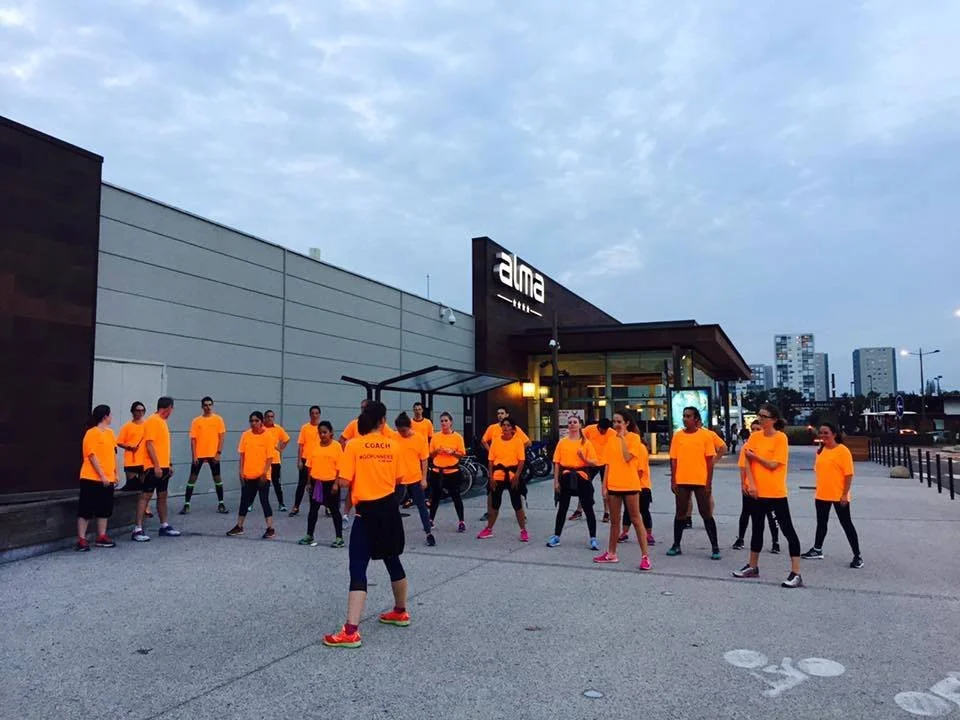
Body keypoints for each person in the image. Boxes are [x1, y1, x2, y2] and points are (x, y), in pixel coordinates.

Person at [324, 401, 409, 649]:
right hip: (390, 511)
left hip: (366, 513)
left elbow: (342, 481)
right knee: (392, 559)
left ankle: (351, 631)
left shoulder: (353, 445)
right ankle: (400, 611)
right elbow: (399, 479)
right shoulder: (394, 446)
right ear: (383, 421)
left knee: (358, 568)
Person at [733, 403, 804, 588]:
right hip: (758, 492)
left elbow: (774, 465)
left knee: (787, 529)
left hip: (775, 492)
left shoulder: (781, 438)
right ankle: (753, 565)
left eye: (764, 416)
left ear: (773, 419)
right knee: (757, 528)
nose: (761, 419)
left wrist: (755, 457)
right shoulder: (755, 437)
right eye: (760, 415)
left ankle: (796, 572)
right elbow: (746, 461)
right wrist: (751, 484)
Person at [593, 411, 651, 571]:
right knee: (614, 522)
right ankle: (611, 553)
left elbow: (627, 457)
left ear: (627, 423)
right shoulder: (611, 441)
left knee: (636, 519)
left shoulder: (634, 439)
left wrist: (623, 438)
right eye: (614, 421)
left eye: (619, 421)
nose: (616, 424)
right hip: (614, 485)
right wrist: (604, 486)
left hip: (630, 485)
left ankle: (645, 556)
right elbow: (607, 465)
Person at [801, 422, 863, 568]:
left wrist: (844, 494)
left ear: (834, 434)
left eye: (826, 433)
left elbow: (848, 475)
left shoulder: (843, 451)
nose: (823, 436)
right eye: (821, 433)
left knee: (846, 524)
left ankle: (857, 555)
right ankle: (817, 549)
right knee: (821, 523)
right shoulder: (821, 451)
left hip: (839, 495)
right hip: (822, 494)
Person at [666, 407, 720, 560]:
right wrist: (673, 480)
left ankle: (715, 547)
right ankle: (676, 544)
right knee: (680, 513)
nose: (685, 418)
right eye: (684, 416)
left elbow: (710, 462)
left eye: (688, 416)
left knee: (706, 513)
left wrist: (709, 482)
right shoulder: (678, 436)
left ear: (696, 419)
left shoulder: (705, 436)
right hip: (682, 480)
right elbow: (674, 460)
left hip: (700, 481)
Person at [547, 415, 600, 550]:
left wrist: (584, 458)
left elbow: (595, 462)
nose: (572, 424)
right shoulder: (562, 442)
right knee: (562, 508)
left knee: (588, 508)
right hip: (565, 476)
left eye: (575, 422)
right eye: (570, 422)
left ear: (580, 425)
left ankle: (593, 538)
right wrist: (556, 482)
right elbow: (557, 463)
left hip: (581, 476)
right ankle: (556, 536)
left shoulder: (586, 443)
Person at [132, 396, 181, 542]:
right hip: (153, 467)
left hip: (163, 467)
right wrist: (157, 466)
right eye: (172, 408)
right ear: (168, 408)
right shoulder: (153, 421)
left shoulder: (162, 422)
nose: (172, 411)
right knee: (145, 496)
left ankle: (164, 525)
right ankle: (137, 529)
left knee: (162, 495)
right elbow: (150, 444)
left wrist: (168, 464)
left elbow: (162, 446)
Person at [226, 411, 276, 539]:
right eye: (251, 421)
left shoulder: (268, 436)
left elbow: (270, 457)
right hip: (248, 475)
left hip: (262, 476)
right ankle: (239, 526)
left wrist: (265, 473)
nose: (253, 423)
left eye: (256, 421)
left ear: (261, 422)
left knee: (264, 501)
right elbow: (242, 455)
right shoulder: (245, 435)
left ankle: (270, 528)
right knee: (244, 501)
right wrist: (241, 472)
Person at [477, 417, 529, 541]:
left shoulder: (517, 442)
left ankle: (523, 530)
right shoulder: (495, 441)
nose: (505, 427)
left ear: (513, 429)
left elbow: (521, 460)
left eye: (508, 425)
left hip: (512, 476)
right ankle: (489, 529)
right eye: (503, 425)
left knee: (517, 505)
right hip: (498, 475)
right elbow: (490, 461)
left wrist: (517, 476)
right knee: (494, 505)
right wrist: (491, 477)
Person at [732, 420, 780, 552]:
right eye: (752, 429)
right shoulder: (747, 447)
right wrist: (743, 484)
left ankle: (775, 542)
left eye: (757, 429)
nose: (754, 431)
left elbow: (774, 465)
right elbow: (742, 467)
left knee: (772, 515)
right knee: (746, 513)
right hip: (750, 486)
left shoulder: (770, 444)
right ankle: (740, 538)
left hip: (767, 486)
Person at [76, 405, 118, 551]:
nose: (111, 417)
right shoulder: (91, 433)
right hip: (91, 478)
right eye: (110, 415)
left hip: (108, 479)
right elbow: (92, 456)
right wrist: (102, 475)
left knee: (104, 509)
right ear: (105, 416)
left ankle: (101, 536)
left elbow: (113, 454)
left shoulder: (111, 433)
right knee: (86, 509)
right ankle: (81, 539)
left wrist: (115, 474)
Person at [299, 421, 344, 548]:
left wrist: (336, 483)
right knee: (313, 510)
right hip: (316, 483)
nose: (322, 435)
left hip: (331, 484)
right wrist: (308, 482)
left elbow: (340, 467)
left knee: (335, 511)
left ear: (331, 433)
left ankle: (339, 537)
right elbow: (309, 465)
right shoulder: (315, 446)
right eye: (320, 433)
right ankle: (309, 535)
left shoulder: (336, 446)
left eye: (325, 432)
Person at [180, 397, 227, 515]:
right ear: (202, 406)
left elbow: (222, 437)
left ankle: (221, 503)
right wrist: (194, 456)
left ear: (213, 405)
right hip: (199, 455)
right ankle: (186, 505)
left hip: (213, 454)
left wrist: (218, 453)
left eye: (210, 404)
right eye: (205, 405)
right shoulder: (196, 421)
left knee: (217, 479)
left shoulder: (218, 419)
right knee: (192, 479)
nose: (208, 407)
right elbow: (193, 440)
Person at [395, 412, 435, 547]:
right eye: (399, 431)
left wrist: (424, 479)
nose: (402, 433)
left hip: (415, 478)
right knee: (393, 506)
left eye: (404, 430)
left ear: (409, 427)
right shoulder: (394, 437)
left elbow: (424, 459)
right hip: (398, 479)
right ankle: (391, 533)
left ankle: (428, 533)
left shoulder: (419, 438)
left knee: (421, 506)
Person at [617, 413, 656, 547]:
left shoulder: (639, 447)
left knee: (642, 511)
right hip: (632, 483)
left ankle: (648, 534)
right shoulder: (626, 445)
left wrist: (634, 483)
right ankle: (625, 532)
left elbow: (640, 469)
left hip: (641, 484)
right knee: (630, 511)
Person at [681, 421, 727, 529]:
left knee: (704, 493)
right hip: (688, 467)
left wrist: (713, 461)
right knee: (689, 494)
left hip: (702, 469)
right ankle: (690, 518)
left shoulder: (708, 434)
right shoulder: (684, 434)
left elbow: (723, 447)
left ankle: (706, 517)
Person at [428, 411, 467, 533]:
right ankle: (430, 520)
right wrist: (437, 451)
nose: (444, 423)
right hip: (437, 471)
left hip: (452, 472)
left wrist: (452, 452)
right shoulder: (436, 436)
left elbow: (462, 454)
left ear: (451, 422)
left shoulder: (457, 437)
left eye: (446, 421)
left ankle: (461, 521)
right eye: (442, 421)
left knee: (456, 496)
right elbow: (430, 454)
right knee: (435, 497)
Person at [116, 401, 153, 518]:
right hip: (131, 461)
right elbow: (119, 442)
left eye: (142, 410)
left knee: (144, 487)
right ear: (132, 412)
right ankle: (131, 509)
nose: (140, 413)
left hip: (144, 461)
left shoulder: (147, 425)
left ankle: (146, 507)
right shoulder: (127, 426)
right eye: (138, 410)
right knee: (132, 486)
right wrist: (129, 447)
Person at [582, 417, 616, 522]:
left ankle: (607, 512)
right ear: (598, 426)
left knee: (605, 488)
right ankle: (579, 509)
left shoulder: (612, 433)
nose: (603, 432)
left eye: (605, 430)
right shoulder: (589, 429)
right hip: (591, 462)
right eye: (602, 430)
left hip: (605, 463)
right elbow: (580, 436)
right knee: (584, 485)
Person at [291, 405, 322, 517]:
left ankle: (326, 507)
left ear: (319, 414)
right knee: (302, 484)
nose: (314, 415)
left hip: (318, 460)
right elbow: (300, 445)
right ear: (310, 415)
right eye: (312, 413)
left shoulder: (322, 428)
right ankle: (296, 507)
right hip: (305, 460)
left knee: (320, 485)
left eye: (316, 413)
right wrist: (299, 460)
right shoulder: (305, 428)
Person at [263, 409, 291, 512]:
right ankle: (251, 504)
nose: (270, 418)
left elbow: (287, 439)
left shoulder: (278, 428)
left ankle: (281, 503)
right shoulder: (260, 428)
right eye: (268, 416)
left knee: (276, 483)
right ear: (264, 418)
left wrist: (280, 449)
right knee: (260, 483)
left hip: (275, 461)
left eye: (272, 416)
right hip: (263, 461)